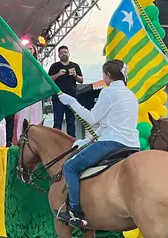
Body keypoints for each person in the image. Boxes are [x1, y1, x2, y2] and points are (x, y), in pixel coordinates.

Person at [56, 60, 139, 228]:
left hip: (112, 143)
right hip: (133, 145)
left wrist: (72, 102)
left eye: (103, 74)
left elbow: (92, 118)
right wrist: (88, 140)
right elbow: (108, 123)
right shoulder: (131, 94)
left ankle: (75, 212)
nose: (103, 77)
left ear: (108, 75)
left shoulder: (108, 93)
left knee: (70, 167)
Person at [48, 46, 83, 138]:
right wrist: (58, 74)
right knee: (57, 121)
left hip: (72, 98)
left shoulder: (75, 66)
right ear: (59, 55)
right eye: (62, 53)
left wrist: (75, 75)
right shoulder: (54, 66)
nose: (64, 54)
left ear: (69, 54)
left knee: (71, 121)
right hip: (58, 98)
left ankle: (72, 141)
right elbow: (48, 80)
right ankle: (56, 141)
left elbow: (81, 80)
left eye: (65, 52)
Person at [14, 44, 45, 143]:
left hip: (35, 95)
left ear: (34, 51)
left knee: (36, 116)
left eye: (30, 48)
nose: (28, 50)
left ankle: (36, 139)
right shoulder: (19, 63)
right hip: (24, 94)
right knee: (23, 116)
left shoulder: (38, 64)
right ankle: (21, 138)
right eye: (26, 48)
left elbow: (41, 79)